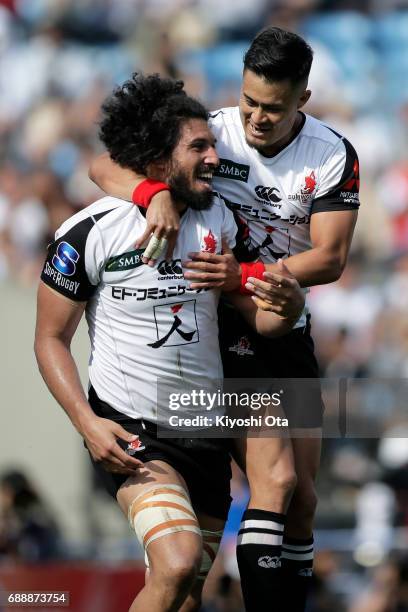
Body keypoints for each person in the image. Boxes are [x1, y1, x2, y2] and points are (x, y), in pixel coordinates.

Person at [89, 27, 360, 611]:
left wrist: (247, 277)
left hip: (281, 317)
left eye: (275, 108)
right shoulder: (211, 133)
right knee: (276, 483)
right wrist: (150, 194)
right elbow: (101, 166)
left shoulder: (332, 153)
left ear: (303, 101)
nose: (258, 119)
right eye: (250, 102)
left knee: (305, 498)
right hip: (224, 324)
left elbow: (330, 258)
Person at [35, 73, 304, 612]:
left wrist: (287, 305)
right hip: (134, 431)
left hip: (203, 432)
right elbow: (49, 339)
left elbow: (261, 320)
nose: (213, 157)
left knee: (185, 594)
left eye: (212, 144)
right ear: (158, 161)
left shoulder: (219, 221)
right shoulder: (91, 233)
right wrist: (86, 423)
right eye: (198, 147)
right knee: (177, 561)